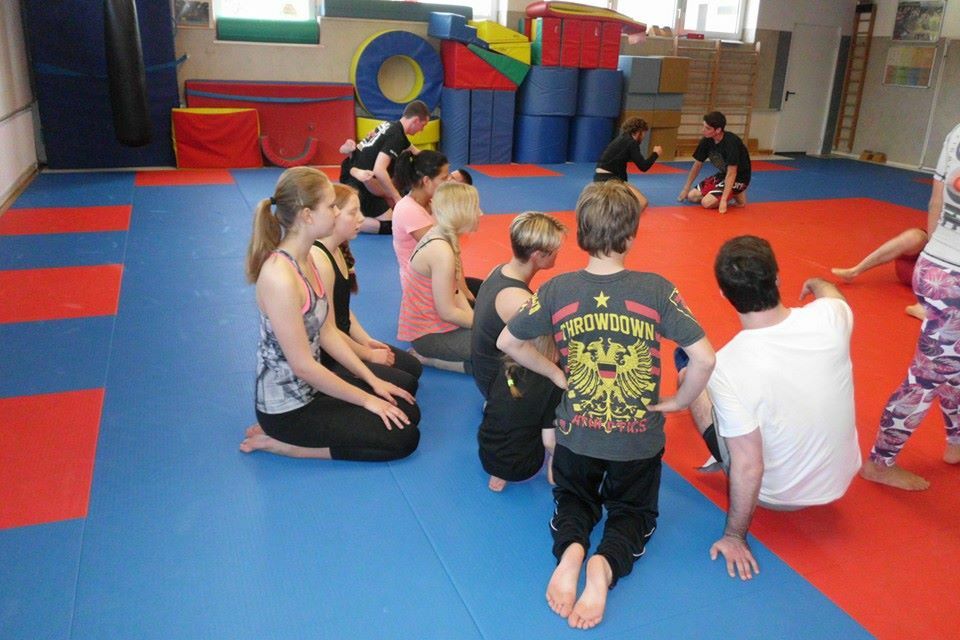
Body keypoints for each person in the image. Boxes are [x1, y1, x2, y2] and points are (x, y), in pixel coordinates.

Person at [498, 180, 715, 630]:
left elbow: (508, 342)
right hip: (637, 442)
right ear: (631, 236)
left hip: (577, 435)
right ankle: (604, 566)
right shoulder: (657, 290)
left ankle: (572, 553)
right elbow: (705, 358)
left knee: (573, 499)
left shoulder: (556, 289)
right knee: (633, 512)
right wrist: (680, 400)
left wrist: (556, 374)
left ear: (580, 232)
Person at [679, 235, 860, 581]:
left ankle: (686, 370)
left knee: (690, 375)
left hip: (777, 495)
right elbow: (834, 295)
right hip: (839, 479)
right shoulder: (830, 317)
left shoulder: (726, 366)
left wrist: (735, 536)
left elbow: (749, 466)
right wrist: (817, 282)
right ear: (777, 278)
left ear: (724, 295)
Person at [240, 167, 420, 461]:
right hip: (288, 409)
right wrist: (367, 400)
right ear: (307, 216)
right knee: (404, 438)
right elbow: (303, 367)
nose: (336, 213)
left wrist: (372, 381)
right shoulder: (279, 277)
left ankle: (299, 435)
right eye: (331, 206)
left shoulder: (308, 258)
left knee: (408, 410)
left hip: (313, 389)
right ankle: (285, 445)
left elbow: (327, 332)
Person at [860, 122, 960, 491]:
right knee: (925, 379)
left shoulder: (957, 132)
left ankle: (956, 441)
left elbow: (936, 203)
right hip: (954, 279)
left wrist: (938, 261)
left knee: (952, 365)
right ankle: (879, 463)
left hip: (936, 265)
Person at [471, 212, 567, 492]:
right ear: (537, 255)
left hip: (485, 369)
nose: (557, 255)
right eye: (554, 250)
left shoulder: (500, 270)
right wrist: (556, 373)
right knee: (563, 369)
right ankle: (554, 442)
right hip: (498, 382)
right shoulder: (521, 301)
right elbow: (527, 346)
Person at [311, 183, 423, 394]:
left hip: (345, 341)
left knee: (413, 367)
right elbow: (328, 331)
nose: (361, 218)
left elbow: (343, 310)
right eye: (353, 212)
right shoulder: (320, 260)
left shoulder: (337, 250)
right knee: (407, 384)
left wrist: (366, 341)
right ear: (332, 215)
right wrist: (366, 354)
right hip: (329, 353)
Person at [398, 181, 482, 373]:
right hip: (428, 336)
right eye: (476, 208)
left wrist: (475, 319)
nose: (480, 213)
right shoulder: (441, 251)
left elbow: (456, 291)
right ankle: (432, 360)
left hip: (439, 326)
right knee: (502, 350)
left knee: (507, 342)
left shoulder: (444, 236)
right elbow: (447, 312)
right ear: (461, 213)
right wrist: (482, 326)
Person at [340, 100, 431, 235]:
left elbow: (417, 153)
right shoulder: (397, 136)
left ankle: (347, 212)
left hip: (352, 173)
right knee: (391, 225)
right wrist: (397, 198)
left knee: (391, 210)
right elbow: (379, 170)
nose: (421, 130)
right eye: (423, 125)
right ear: (415, 120)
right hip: (359, 184)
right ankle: (343, 220)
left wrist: (439, 165)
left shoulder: (390, 126)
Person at [831, 228, 927, 319]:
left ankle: (925, 306)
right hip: (916, 266)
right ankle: (854, 271)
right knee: (915, 236)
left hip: (929, 278)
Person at [678, 111, 751, 214]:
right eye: (703, 126)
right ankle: (732, 193)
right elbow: (697, 165)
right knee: (692, 196)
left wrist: (724, 200)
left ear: (718, 130)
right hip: (723, 175)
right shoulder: (706, 141)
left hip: (739, 177)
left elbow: (732, 172)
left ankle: (737, 192)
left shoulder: (731, 143)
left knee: (706, 203)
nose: (703, 130)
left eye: (707, 128)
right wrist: (686, 188)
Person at [593, 117, 662, 183]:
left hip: (600, 177)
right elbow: (643, 166)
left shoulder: (622, 139)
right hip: (608, 178)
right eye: (644, 133)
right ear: (639, 132)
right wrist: (655, 154)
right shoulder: (631, 143)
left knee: (630, 190)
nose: (644, 137)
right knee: (635, 191)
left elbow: (621, 168)